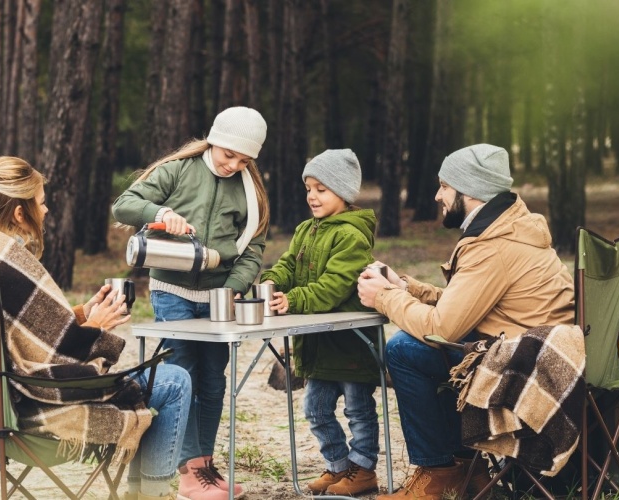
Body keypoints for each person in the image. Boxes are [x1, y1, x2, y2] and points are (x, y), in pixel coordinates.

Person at [0, 156, 192, 500]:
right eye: (41, 202)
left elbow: (15, 333)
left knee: (161, 380)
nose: (45, 211)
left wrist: (79, 314)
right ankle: (150, 495)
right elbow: (57, 357)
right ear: (20, 213)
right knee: (175, 381)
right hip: (37, 408)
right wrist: (96, 327)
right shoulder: (9, 266)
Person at [357, 144, 576, 500]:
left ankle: (440, 471)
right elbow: (473, 304)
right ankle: (468, 473)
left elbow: (443, 329)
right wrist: (406, 288)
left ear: (469, 191)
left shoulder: (492, 246)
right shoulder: (511, 227)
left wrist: (383, 297)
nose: (437, 195)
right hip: (536, 349)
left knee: (404, 350)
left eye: (444, 186)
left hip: (524, 367)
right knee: (426, 348)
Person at [112, 107, 270, 500]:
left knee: (213, 381)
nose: (234, 165)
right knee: (182, 377)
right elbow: (124, 205)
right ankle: (186, 471)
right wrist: (162, 212)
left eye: (244, 160)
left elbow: (253, 248)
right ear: (213, 140)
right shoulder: (178, 170)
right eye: (228, 155)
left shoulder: (250, 189)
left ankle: (203, 464)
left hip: (219, 297)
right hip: (173, 292)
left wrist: (233, 287)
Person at [260, 149, 382, 497]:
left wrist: (293, 300)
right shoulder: (304, 230)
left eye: (321, 189)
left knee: (358, 410)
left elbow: (332, 287)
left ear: (343, 193)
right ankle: (338, 466)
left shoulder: (352, 236)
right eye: (308, 188)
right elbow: (286, 265)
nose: (312, 196)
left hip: (350, 343)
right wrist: (272, 282)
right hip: (318, 343)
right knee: (315, 408)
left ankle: (363, 470)